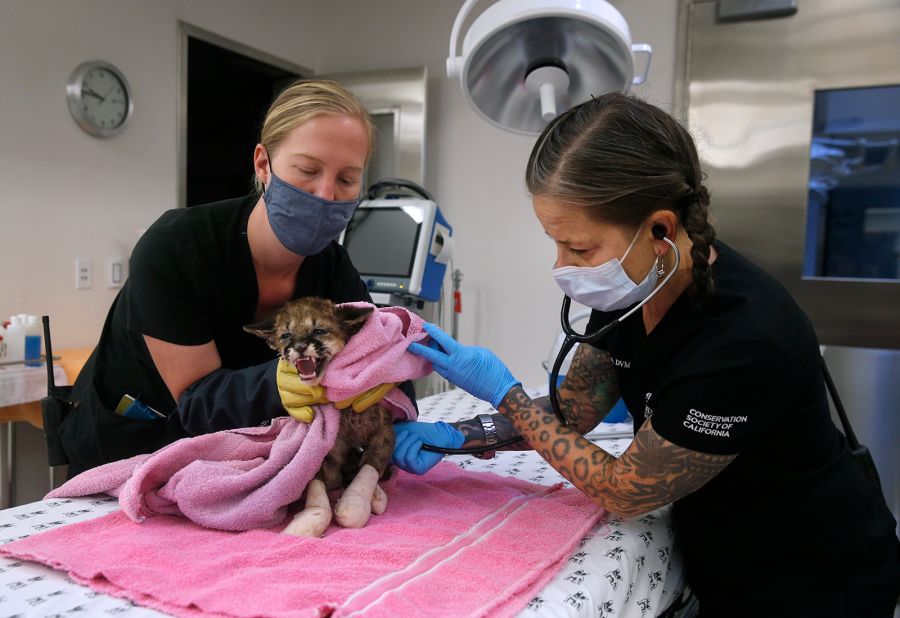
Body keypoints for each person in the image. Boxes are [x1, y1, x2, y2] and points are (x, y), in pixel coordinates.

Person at [392, 93, 900, 617]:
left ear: (659, 229)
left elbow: (626, 491)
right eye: (556, 243)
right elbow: (577, 408)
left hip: (812, 579)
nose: (561, 266)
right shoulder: (634, 291)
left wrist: (507, 393)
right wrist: (465, 435)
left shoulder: (744, 338)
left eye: (580, 249)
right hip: (722, 555)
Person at [62, 80, 415, 476]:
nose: (325, 194)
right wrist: (282, 383)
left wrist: (399, 401)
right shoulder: (176, 249)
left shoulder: (331, 267)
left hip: (243, 460)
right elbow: (197, 401)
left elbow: (375, 351)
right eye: (307, 171)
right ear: (263, 164)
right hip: (133, 451)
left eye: (347, 180)